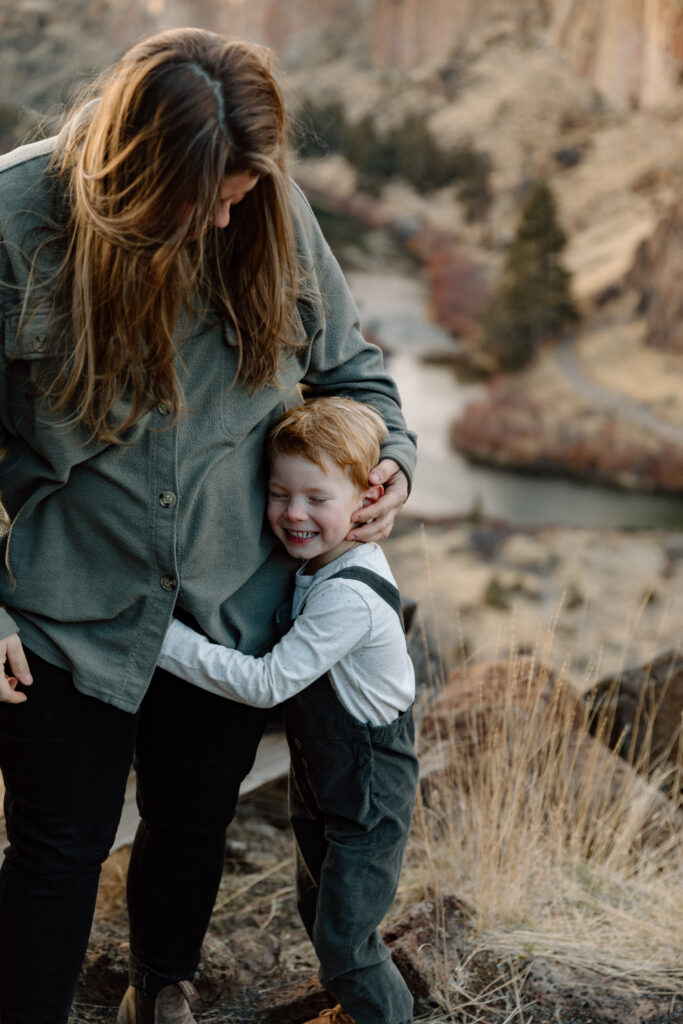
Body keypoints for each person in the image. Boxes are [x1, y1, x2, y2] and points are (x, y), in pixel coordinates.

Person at [0, 27, 417, 1024]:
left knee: (194, 816)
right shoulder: (12, 220)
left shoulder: (266, 206)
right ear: (136, 180)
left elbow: (355, 375)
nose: (230, 212)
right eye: (208, 199)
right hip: (67, 611)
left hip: (238, 601)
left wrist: (391, 455)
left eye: (241, 191)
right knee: (59, 847)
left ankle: (161, 987)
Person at [158, 396, 419, 1024]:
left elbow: (266, 683)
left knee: (347, 946)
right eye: (280, 494)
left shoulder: (348, 597)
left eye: (316, 499)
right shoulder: (316, 561)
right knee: (319, 906)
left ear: (367, 498)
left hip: (368, 787)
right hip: (324, 778)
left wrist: (158, 638)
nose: (294, 514)